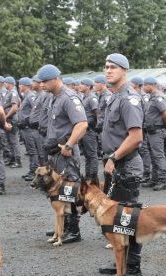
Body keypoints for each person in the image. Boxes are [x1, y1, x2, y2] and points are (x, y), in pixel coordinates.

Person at [97, 53, 145, 276]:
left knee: (127, 219)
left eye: (113, 67)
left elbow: (136, 136)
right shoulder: (113, 97)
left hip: (126, 167)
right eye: (106, 67)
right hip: (115, 166)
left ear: (124, 70)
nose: (108, 71)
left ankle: (132, 268)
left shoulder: (129, 98)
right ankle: (121, 263)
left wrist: (114, 157)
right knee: (118, 220)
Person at [37, 63, 88, 244]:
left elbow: (82, 124)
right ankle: (63, 226)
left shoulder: (69, 98)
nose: (41, 85)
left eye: (44, 81)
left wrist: (69, 145)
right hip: (55, 154)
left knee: (70, 190)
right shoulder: (54, 97)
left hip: (65, 154)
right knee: (59, 190)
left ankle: (73, 230)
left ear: (56, 79)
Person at [140, 76, 166, 191]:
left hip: (157, 131)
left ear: (151, 85)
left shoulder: (158, 97)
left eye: (145, 85)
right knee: (153, 156)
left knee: (158, 156)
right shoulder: (152, 97)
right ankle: (154, 179)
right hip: (151, 131)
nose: (143, 87)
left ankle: (162, 181)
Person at [16, 77, 40, 180]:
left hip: (28, 127)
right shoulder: (26, 96)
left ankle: (34, 171)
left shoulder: (30, 96)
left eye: (20, 85)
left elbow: (36, 109)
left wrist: (27, 120)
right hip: (25, 127)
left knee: (33, 150)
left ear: (25, 86)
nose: (19, 87)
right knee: (30, 150)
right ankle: (32, 169)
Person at [78, 77, 100, 181]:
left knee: (92, 155)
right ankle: (88, 175)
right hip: (84, 131)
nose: (79, 86)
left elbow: (97, 114)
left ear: (88, 86)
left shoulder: (92, 98)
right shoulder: (85, 97)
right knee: (87, 155)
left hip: (90, 131)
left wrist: (95, 127)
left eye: (82, 84)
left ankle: (93, 176)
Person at [3, 76, 22, 168]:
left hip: (12, 119)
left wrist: (5, 117)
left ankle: (18, 161)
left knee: (14, 141)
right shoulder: (8, 92)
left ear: (10, 83)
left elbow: (14, 108)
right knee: (9, 141)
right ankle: (12, 159)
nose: (4, 84)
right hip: (9, 119)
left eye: (6, 82)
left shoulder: (13, 92)